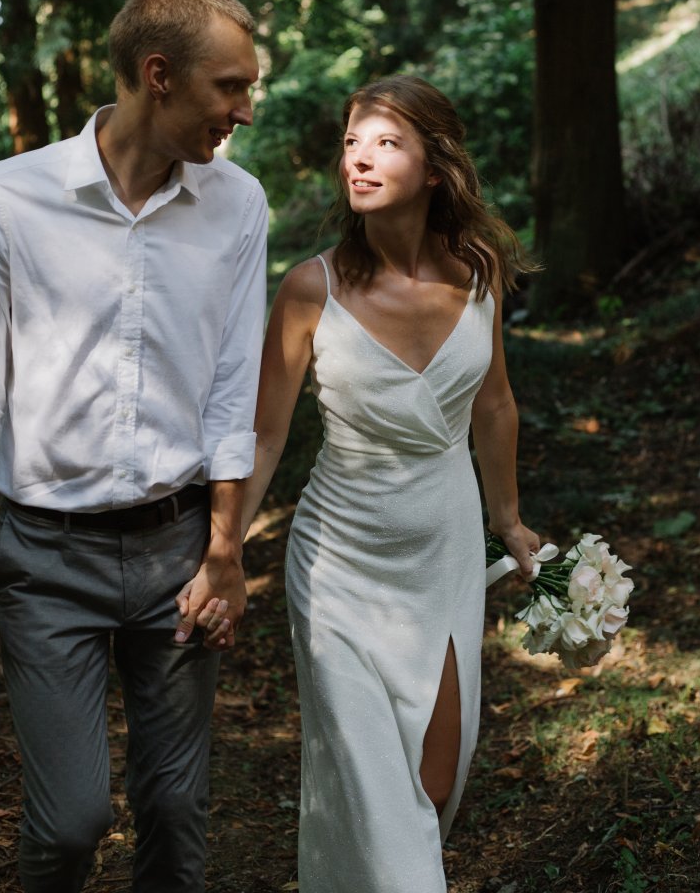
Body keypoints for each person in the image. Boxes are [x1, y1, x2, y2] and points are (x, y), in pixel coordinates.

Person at [0, 0, 268, 893]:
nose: (245, 110)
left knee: (176, 816)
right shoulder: (5, 200)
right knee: (71, 823)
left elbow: (233, 387)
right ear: (158, 75)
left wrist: (225, 549)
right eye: (230, 86)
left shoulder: (239, 205)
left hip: (177, 550)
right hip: (45, 557)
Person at [220, 74, 541, 893]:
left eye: (386, 143)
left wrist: (508, 520)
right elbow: (265, 435)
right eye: (351, 143)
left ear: (435, 168)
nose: (359, 159)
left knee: (434, 782)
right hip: (339, 566)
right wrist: (223, 548)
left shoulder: (478, 273)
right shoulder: (311, 288)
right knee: (371, 787)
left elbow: (495, 405)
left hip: (445, 555)